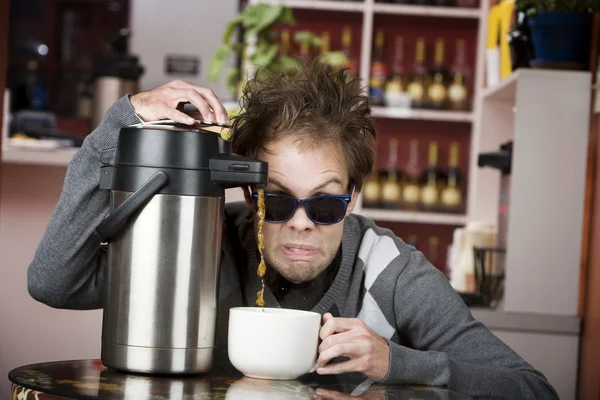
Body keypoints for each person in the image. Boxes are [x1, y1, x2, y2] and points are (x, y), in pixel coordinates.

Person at [28, 59, 558, 399]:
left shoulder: (389, 270)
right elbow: (54, 281)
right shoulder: (198, 244)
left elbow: (531, 389)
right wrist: (119, 124)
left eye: (325, 205)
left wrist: (396, 361)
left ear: (352, 199)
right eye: (278, 201)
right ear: (248, 192)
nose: (301, 224)